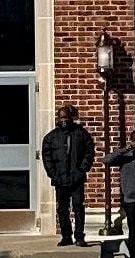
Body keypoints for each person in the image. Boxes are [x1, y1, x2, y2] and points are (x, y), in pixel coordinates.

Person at [40, 103, 97, 245]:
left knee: (78, 207)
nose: (64, 120)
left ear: (71, 118)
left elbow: (89, 153)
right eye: (61, 118)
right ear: (58, 119)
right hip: (60, 178)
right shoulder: (51, 137)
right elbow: (47, 158)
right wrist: (53, 174)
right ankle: (66, 236)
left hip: (76, 178)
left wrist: (81, 170)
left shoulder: (81, 134)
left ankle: (79, 236)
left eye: (66, 117)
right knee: (62, 208)